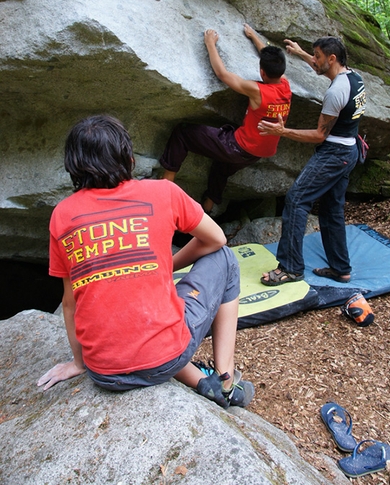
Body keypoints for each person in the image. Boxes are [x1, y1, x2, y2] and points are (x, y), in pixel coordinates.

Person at [37, 114, 254, 409]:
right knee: (226, 259)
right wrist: (170, 264)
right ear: (129, 156)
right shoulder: (161, 192)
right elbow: (217, 239)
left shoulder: (62, 215)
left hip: (103, 372)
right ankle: (226, 382)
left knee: (139, 311)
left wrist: (79, 363)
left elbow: (69, 301)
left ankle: (203, 383)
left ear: (74, 165)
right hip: (164, 359)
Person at [258, 36, 366, 285]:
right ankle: (341, 268)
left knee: (296, 200)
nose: (314, 60)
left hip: (334, 154)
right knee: (331, 210)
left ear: (332, 59)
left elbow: (319, 134)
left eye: (317, 56)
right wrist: (299, 53)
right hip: (349, 151)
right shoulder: (354, 77)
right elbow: (323, 68)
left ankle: (291, 268)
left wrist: (282, 132)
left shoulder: (337, 91)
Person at [160, 24, 292, 213]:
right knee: (221, 167)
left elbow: (222, 74)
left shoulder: (258, 91)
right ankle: (208, 209)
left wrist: (210, 43)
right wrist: (253, 37)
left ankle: (166, 187)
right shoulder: (286, 86)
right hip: (256, 154)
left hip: (237, 147)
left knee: (183, 133)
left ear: (262, 72)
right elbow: (271, 59)